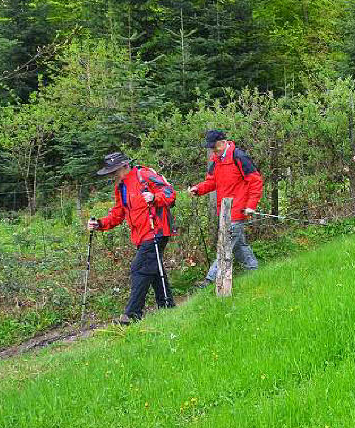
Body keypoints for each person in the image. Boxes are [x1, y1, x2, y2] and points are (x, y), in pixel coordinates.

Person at [87, 152, 176, 324]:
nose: (113, 175)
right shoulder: (121, 187)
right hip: (140, 235)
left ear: (124, 166)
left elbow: (169, 192)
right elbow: (118, 213)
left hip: (156, 230)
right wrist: (99, 224)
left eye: (115, 171)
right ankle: (167, 306)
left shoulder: (144, 175)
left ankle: (132, 314)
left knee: (139, 268)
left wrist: (154, 197)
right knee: (154, 270)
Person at [188, 130, 264, 287]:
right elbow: (211, 182)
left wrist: (251, 206)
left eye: (214, 147)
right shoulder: (215, 161)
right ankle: (254, 269)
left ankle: (209, 280)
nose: (213, 150)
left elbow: (255, 181)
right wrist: (198, 189)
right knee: (239, 245)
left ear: (223, 142)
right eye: (211, 148)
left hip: (237, 210)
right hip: (224, 211)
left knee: (225, 245)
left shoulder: (239, 157)